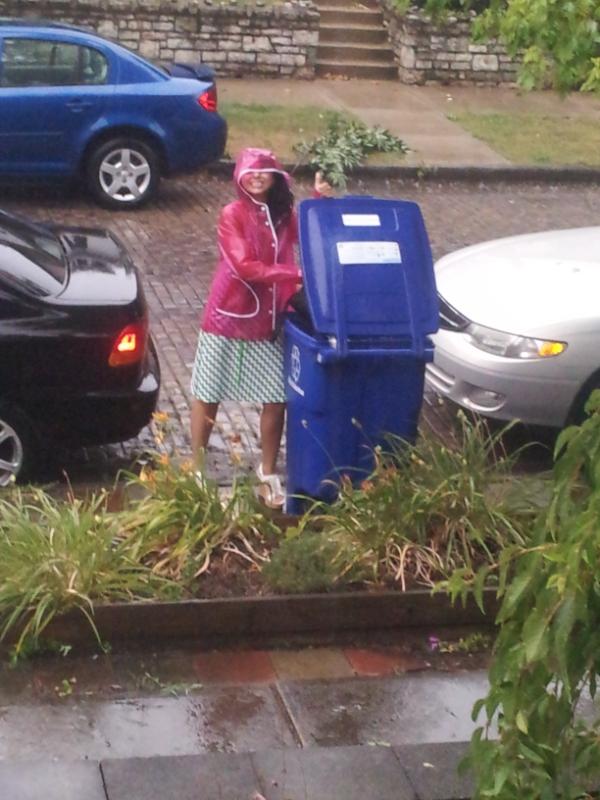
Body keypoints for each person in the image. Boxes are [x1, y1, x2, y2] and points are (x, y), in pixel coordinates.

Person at [190, 147, 331, 508]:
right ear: (239, 177)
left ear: (276, 177)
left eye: (263, 171)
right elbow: (244, 266)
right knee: (208, 390)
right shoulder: (231, 214)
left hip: (270, 319)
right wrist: (296, 274)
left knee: (276, 396)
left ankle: (267, 471)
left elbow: (311, 233)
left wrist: (319, 199)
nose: (256, 177)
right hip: (227, 316)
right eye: (249, 171)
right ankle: (197, 470)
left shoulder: (284, 215)